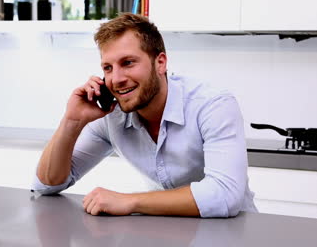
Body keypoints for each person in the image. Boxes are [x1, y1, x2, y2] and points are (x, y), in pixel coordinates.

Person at [32, 13, 257, 218]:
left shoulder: (212, 105)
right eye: (108, 68)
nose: (116, 79)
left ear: (160, 62)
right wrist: (72, 121)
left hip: (232, 234)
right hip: (165, 233)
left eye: (128, 63)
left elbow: (225, 194)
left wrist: (130, 201)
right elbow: (46, 184)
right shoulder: (112, 115)